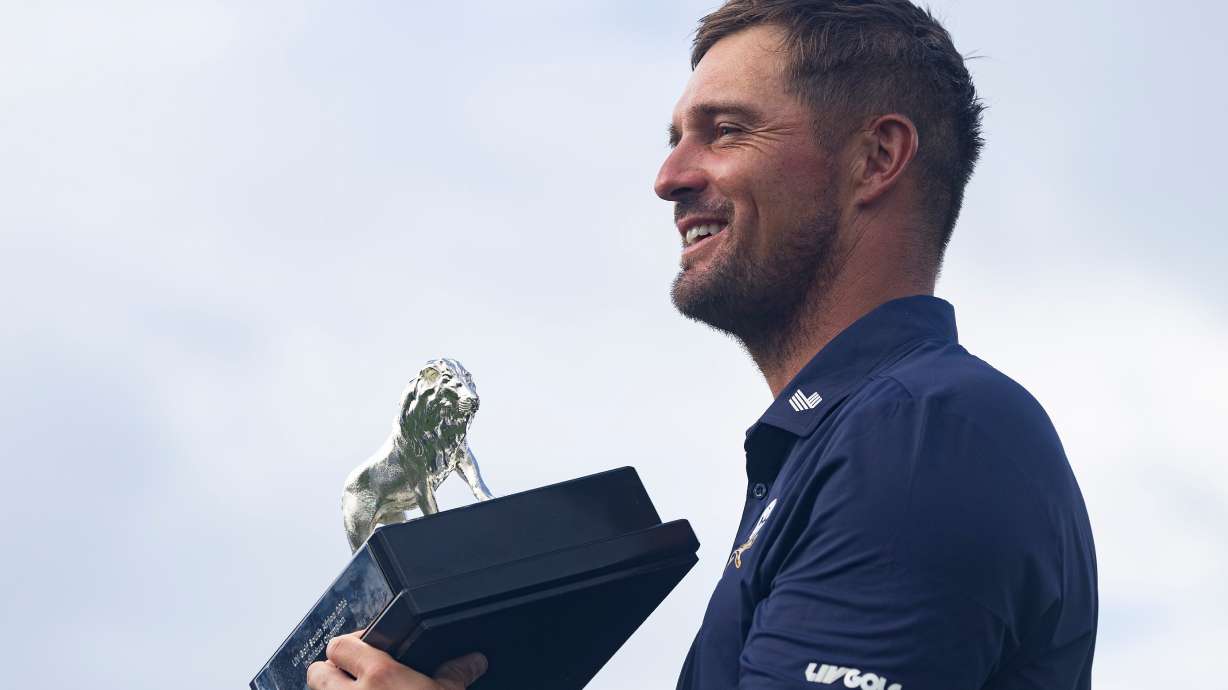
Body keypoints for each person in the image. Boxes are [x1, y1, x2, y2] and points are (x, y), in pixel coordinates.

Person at [307, 1, 1097, 688]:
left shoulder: (923, 431)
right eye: (677, 137)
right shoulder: (857, 438)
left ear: (876, 158)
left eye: (726, 131)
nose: (669, 176)